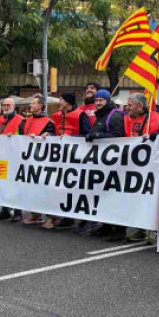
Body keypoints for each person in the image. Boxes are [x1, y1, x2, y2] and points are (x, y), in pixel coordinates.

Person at [123, 93, 159, 242]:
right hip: (134, 166)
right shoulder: (126, 119)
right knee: (137, 198)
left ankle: (155, 231)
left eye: (130, 105)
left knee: (154, 198)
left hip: (154, 166)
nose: (127, 108)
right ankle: (141, 229)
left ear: (139, 106)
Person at [81, 89, 125, 240]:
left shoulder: (115, 115)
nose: (98, 103)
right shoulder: (100, 115)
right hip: (101, 162)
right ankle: (106, 225)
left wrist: (99, 135)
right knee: (103, 195)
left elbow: (118, 136)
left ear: (108, 101)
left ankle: (119, 229)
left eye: (101, 100)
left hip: (113, 163)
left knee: (114, 196)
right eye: (97, 100)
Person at [42, 93, 91, 230]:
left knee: (76, 188)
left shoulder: (80, 115)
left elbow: (87, 133)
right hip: (60, 158)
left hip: (76, 158)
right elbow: (52, 129)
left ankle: (83, 219)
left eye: (61, 99)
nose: (59, 101)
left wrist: (71, 138)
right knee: (60, 187)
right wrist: (49, 134)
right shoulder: (56, 115)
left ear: (68, 102)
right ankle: (66, 217)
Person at [19, 96, 56, 225]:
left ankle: (51, 217)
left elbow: (53, 137)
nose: (31, 105)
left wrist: (46, 136)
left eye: (34, 103)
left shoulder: (48, 122)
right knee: (31, 189)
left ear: (41, 106)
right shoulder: (26, 121)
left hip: (43, 162)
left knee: (45, 190)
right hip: (28, 161)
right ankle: (35, 215)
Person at [0, 97, 25, 221]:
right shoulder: (0, 120)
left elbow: (24, 138)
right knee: (3, 185)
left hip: (15, 158)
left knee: (16, 186)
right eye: (4, 105)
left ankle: (18, 212)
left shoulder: (21, 120)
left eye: (8, 105)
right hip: (2, 158)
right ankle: (5, 210)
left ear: (14, 106)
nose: (6, 107)